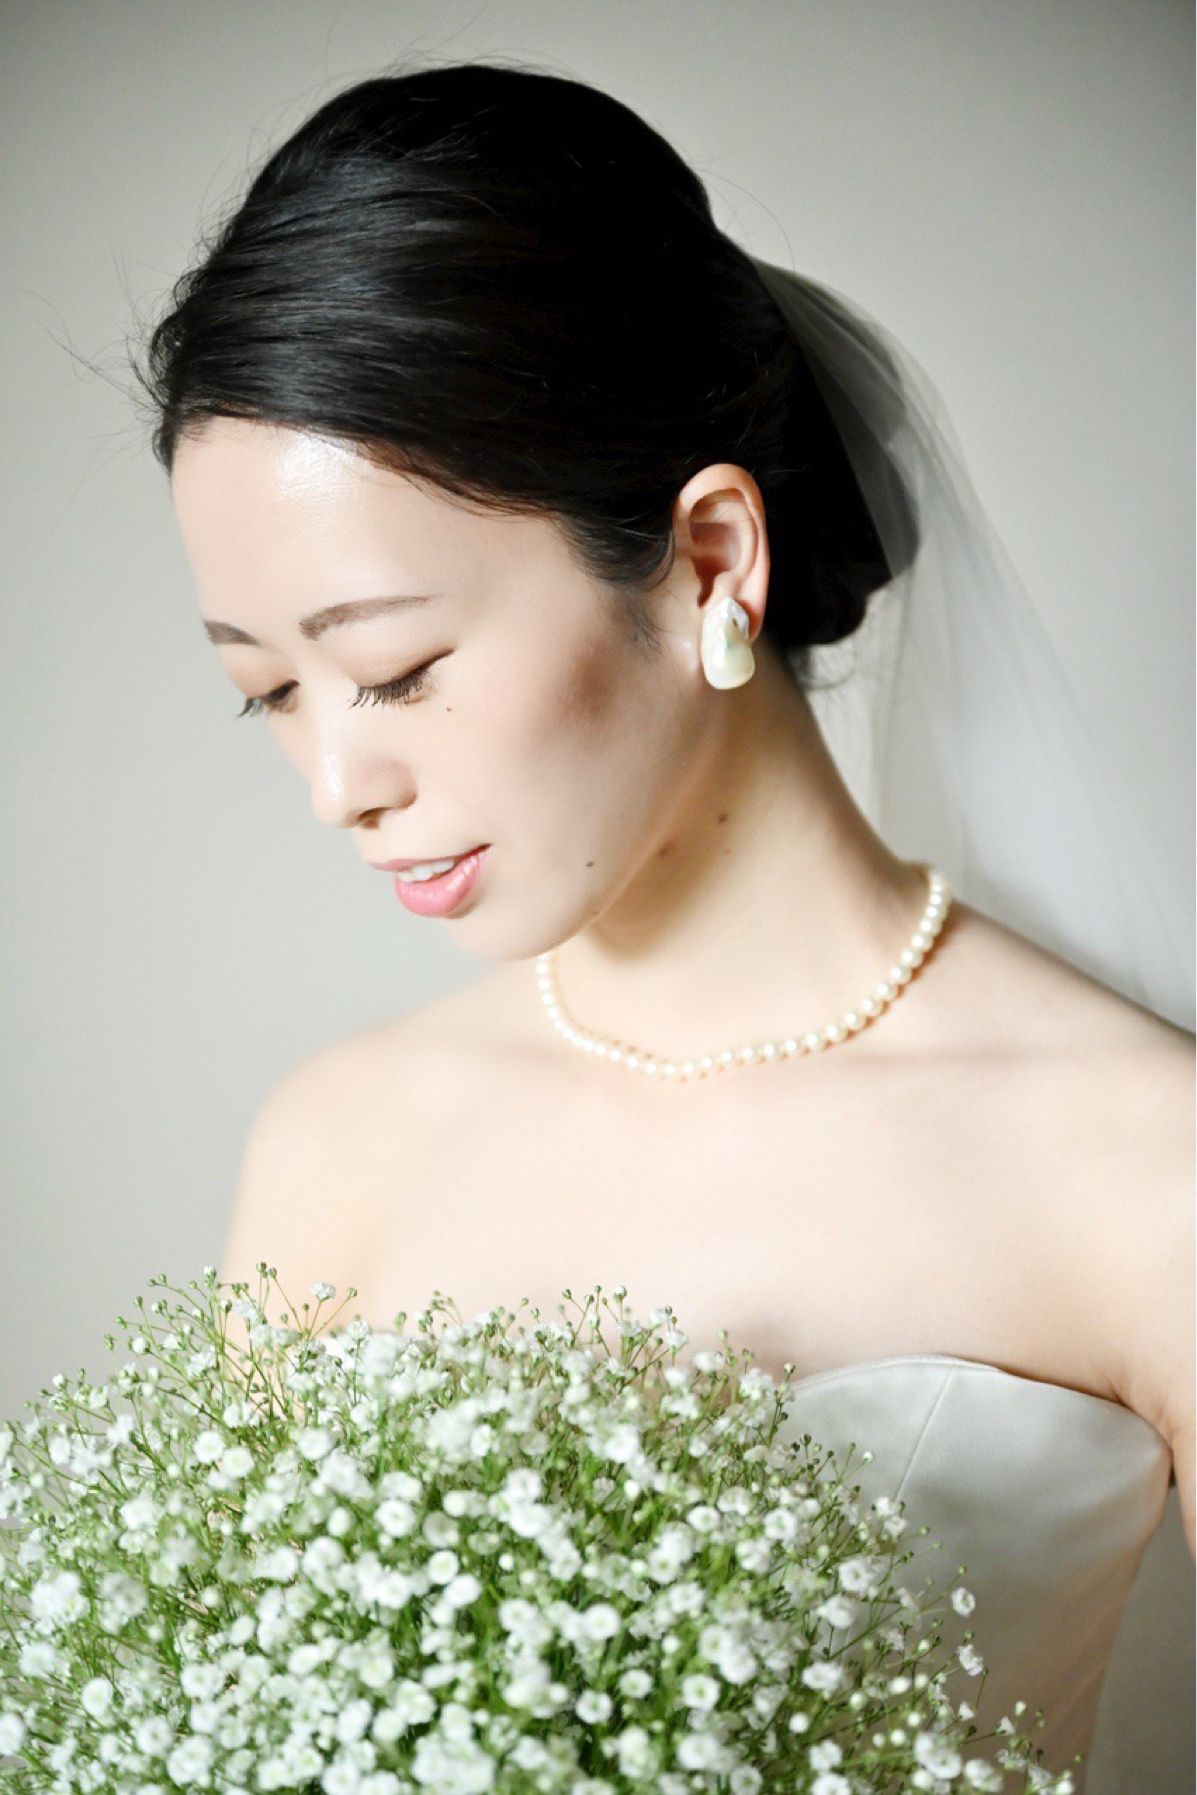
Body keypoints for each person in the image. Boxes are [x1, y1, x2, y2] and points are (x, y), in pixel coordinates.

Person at [137, 59, 1193, 1787]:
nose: (335, 783)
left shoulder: (1147, 1164)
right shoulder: (338, 1141)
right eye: (267, 691)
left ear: (709, 559)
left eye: (396, 666)